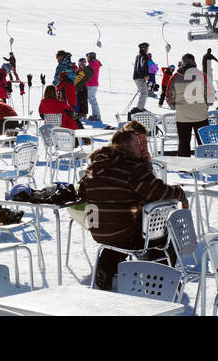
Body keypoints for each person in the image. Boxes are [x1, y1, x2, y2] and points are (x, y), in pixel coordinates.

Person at [78, 123, 188, 290]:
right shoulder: (133, 167)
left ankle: (106, 268)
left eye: (143, 142)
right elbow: (157, 192)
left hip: (99, 230)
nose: (143, 146)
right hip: (124, 231)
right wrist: (180, 193)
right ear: (124, 146)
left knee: (120, 232)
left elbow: (83, 191)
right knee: (163, 233)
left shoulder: (96, 166)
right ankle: (159, 280)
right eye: (138, 143)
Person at [169, 53, 210, 157]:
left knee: (183, 142)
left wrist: (175, 106)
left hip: (182, 116)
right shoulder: (202, 75)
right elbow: (209, 94)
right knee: (203, 142)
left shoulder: (175, 77)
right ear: (193, 61)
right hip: (200, 115)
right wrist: (206, 105)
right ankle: (206, 164)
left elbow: (169, 96)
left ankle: (184, 166)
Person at [132, 42, 153, 110]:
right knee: (144, 93)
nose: (147, 49)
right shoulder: (143, 57)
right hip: (139, 77)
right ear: (144, 48)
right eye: (147, 48)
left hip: (138, 77)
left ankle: (140, 107)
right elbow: (140, 67)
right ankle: (140, 109)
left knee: (143, 92)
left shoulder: (139, 56)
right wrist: (145, 75)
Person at [84, 51, 102, 121]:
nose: (87, 59)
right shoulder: (93, 63)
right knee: (92, 100)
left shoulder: (93, 64)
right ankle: (95, 114)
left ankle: (97, 115)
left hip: (92, 84)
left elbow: (88, 71)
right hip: (91, 84)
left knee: (93, 100)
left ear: (91, 57)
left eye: (88, 57)